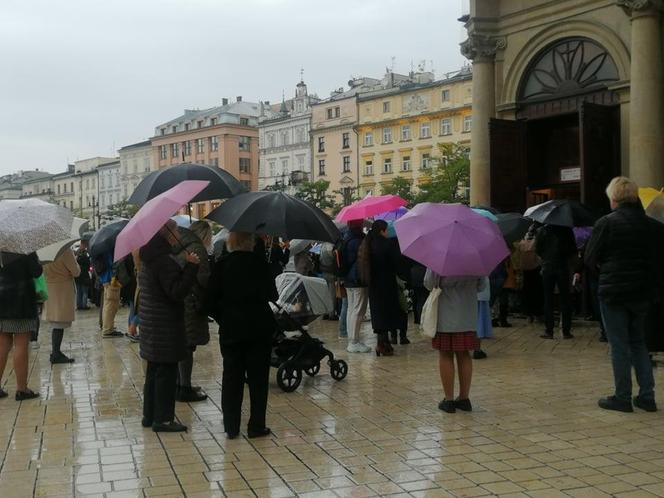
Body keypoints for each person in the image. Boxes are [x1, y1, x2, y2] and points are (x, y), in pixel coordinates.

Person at [585, 176, 663, 413]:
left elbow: (590, 258)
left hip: (614, 293)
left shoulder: (606, 223)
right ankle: (647, 396)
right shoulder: (652, 226)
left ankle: (623, 396)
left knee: (619, 345)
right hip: (642, 293)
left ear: (615, 198)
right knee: (639, 342)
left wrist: (604, 273)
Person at [207, 231, 277, 439]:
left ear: (230, 243)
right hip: (259, 329)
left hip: (231, 330)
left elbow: (208, 302)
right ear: (250, 243)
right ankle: (256, 425)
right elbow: (273, 295)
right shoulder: (260, 264)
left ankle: (231, 426)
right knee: (258, 380)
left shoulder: (221, 266)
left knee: (231, 378)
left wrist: (223, 316)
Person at [139, 220, 199, 432]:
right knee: (166, 372)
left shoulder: (149, 257)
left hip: (152, 325)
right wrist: (191, 267)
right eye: (176, 230)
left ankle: (149, 415)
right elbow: (176, 291)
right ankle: (163, 419)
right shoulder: (163, 260)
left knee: (154, 371)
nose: (179, 234)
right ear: (168, 234)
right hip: (165, 325)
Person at [424, 269, 485, 413]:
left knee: (445, 354)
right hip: (468, 315)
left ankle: (449, 399)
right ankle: (464, 399)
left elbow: (428, 283)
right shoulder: (476, 257)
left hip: (446, 314)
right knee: (464, 354)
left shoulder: (440, 254)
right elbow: (482, 286)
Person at [174, 221, 212, 403]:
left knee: (182, 344)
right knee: (188, 346)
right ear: (205, 235)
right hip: (192, 301)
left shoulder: (181, 246)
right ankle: (185, 388)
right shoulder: (198, 248)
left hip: (179, 300)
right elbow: (203, 278)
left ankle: (180, 383)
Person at [358, 220, 404, 355]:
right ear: (382, 230)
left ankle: (380, 342)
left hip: (373, 285)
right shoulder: (388, 244)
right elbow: (397, 263)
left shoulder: (367, 244)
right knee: (388, 313)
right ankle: (385, 344)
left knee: (378, 314)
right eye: (386, 230)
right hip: (387, 283)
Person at [0, 252, 42, 400]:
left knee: (3, 345)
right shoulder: (23, 248)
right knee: (21, 344)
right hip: (20, 302)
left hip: (2, 300)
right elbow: (37, 272)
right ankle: (22, 389)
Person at [535, 222, 577, 339]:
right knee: (565, 298)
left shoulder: (542, 231)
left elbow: (538, 249)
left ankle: (549, 330)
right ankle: (566, 330)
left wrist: (546, 257)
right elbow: (572, 249)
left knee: (548, 299)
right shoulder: (567, 231)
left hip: (548, 267)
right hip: (562, 267)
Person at [42, 248, 81, 364]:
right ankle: (56, 353)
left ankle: (56, 352)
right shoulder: (64, 250)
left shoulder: (44, 250)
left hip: (50, 287)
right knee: (59, 322)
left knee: (56, 321)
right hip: (62, 288)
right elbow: (76, 271)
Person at [342, 220, 371, 353]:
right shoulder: (358, 240)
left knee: (351, 309)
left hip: (348, 279)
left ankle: (351, 339)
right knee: (358, 310)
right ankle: (354, 342)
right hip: (358, 279)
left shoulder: (346, 238)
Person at [95, 251, 123, 338]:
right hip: (110, 279)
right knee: (111, 306)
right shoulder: (107, 252)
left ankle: (109, 328)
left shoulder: (99, 251)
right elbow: (112, 264)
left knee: (108, 305)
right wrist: (120, 260)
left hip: (105, 279)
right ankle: (107, 330)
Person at [474, 276, 492, 359]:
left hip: (466, 296)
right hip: (480, 295)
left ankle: (473, 348)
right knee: (479, 322)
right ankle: (477, 348)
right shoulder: (481, 264)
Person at [75, 241, 91, 310]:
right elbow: (88, 267)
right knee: (84, 291)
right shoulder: (86, 256)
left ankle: (79, 305)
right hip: (84, 276)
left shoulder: (76, 255)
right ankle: (84, 305)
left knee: (79, 292)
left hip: (78, 276)